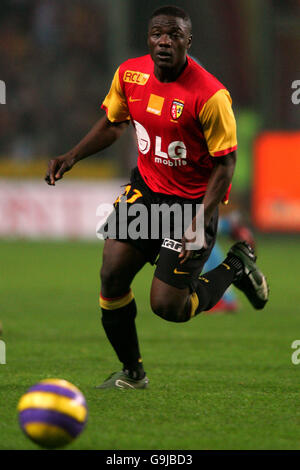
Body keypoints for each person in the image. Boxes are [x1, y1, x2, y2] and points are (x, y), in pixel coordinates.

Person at [45, 5, 269, 389]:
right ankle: (133, 373)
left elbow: (226, 165)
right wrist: (72, 155)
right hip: (146, 192)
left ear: (188, 41)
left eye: (174, 35)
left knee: (169, 307)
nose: (164, 41)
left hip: (192, 205)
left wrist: (200, 222)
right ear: (148, 38)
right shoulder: (129, 73)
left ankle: (236, 265)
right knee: (111, 275)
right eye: (157, 34)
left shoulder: (211, 96)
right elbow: (115, 124)